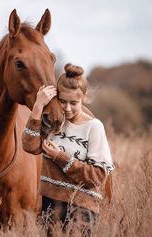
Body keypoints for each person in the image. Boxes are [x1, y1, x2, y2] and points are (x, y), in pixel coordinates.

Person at [22, 63, 114, 236]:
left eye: (74, 102)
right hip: (51, 203)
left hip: (82, 208)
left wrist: (59, 156)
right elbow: (29, 145)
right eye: (63, 101)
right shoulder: (55, 122)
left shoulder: (93, 127)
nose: (68, 108)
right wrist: (37, 108)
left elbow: (97, 176)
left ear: (84, 98)